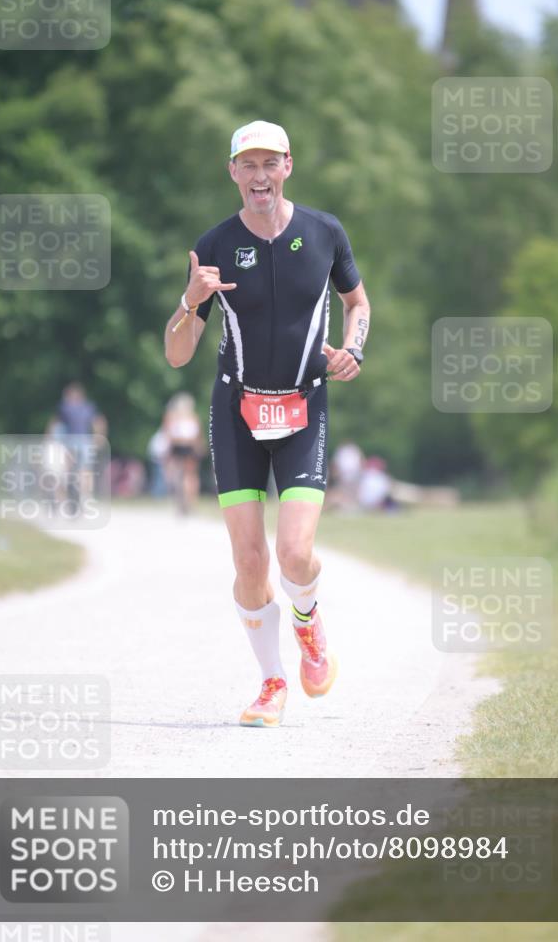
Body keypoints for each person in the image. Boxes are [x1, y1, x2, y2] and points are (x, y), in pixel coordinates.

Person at [164, 120, 370, 727]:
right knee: (251, 562)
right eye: (247, 165)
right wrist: (190, 300)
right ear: (233, 172)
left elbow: (357, 302)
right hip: (237, 412)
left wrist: (353, 349)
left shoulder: (325, 232)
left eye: (269, 164)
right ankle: (271, 680)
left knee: (296, 553)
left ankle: (308, 623)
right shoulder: (216, 245)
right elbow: (177, 353)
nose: (259, 177)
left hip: (304, 406)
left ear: (288, 166)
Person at [162, 392, 204, 513]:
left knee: (179, 475)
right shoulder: (193, 417)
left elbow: (168, 434)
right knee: (190, 476)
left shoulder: (172, 416)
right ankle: (189, 501)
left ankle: (183, 501)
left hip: (178, 447)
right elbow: (198, 436)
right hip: (189, 447)